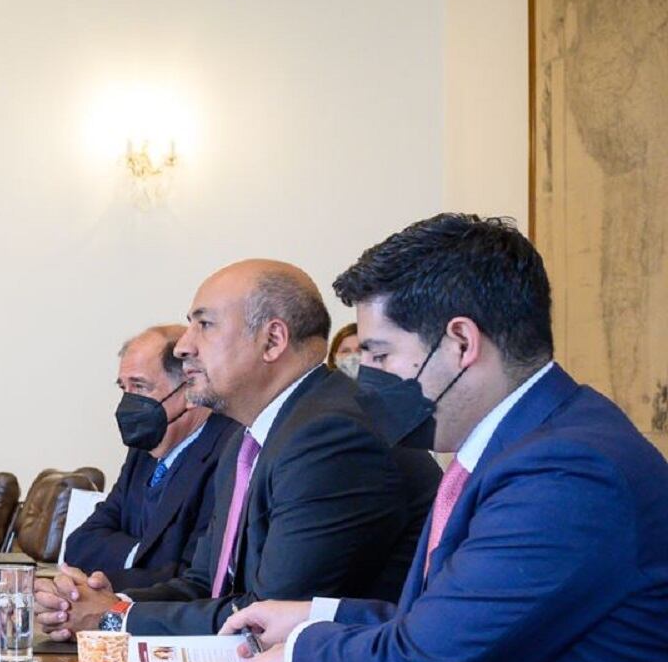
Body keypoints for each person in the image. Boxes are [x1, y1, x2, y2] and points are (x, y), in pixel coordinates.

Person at [223, 215, 668, 662]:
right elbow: (454, 621)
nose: (366, 382)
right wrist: (318, 614)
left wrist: (303, 650)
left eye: (379, 354)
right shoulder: (522, 441)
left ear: (461, 343)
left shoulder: (566, 470)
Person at [36, 260, 437, 638]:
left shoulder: (330, 436)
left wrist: (113, 619)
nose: (183, 347)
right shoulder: (248, 438)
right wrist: (109, 603)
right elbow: (205, 583)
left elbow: (266, 616)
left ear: (273, 340)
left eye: (204, 325)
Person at [61, 324, 237, 589]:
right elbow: (80, 544)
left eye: (140, 387)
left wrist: (109, 577)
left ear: (190, 388)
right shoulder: (142, 452)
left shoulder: (229, 454)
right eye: (124, 388)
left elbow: (194, 574)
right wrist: (143, 556)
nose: (127, 404)